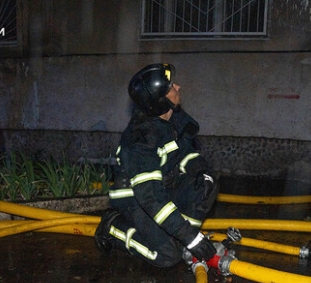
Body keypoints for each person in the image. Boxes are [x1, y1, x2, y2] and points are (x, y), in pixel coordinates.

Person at [94, 63, 219, 268]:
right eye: (171, 87)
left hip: (163, 187)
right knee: (167, 256)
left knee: (205, 184)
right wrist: (190, 238)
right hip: (135, 198)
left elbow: (184, 153)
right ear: (160, 101)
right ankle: (113, 228)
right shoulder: (141, 139)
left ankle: (184, 241)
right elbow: (150, 196)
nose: (178, 87)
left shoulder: (171, 121)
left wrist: (202, 171)